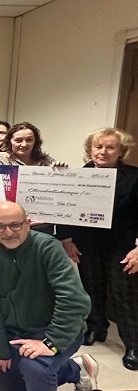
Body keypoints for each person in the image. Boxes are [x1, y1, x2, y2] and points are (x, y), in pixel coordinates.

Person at [0, 201, 97, 391]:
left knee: (35, 368)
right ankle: (75, 369)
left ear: (27, 224)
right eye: (0, 226)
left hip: (53, 327)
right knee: (11, 383)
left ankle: (63, 366)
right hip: (15, 332)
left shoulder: (47, 247)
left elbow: (75, 301)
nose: (8, 232)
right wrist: (0, 351)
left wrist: (51, 342)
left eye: (15, 225)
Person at [58, 128, 138, 370]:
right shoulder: (78, 175)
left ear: (121, 151)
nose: (103, 151)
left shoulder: (134, 177)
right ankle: (96, 328)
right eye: (98, 146)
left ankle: (133, 344)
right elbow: (65, 207)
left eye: (110, 147)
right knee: (91, 289)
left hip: (123, 246)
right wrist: (66, 239)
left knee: (124, 296)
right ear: (90, 150)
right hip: (87, 244)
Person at [0, 122, 67, 167]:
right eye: (18, 141)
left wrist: (61, 172)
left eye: (29, 140)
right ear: (9, 142)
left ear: (35, 141)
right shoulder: (1, 162)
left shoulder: (45, 159)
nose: (24, 144)